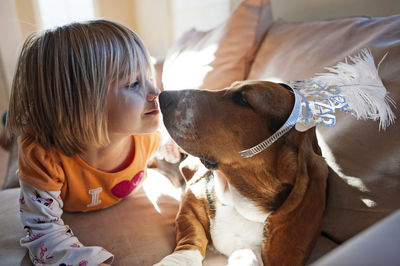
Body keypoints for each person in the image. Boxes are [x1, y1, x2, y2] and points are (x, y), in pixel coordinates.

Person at [6, 19, 178, 265]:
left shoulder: (151, 133)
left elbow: (183, 148)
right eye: (133, 83)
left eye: (149, 77)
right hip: (54, 137)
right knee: (14, 142)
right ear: (81, 105)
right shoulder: (43, 157)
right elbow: (42, 234)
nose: (156, 93)